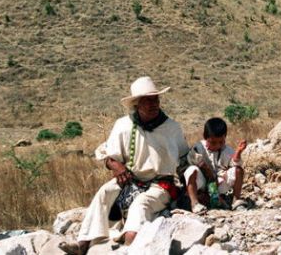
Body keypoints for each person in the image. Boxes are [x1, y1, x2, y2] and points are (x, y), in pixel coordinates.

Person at [59, 76, 189, 255]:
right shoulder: (123, 125)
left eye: (156, 99)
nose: (153, 104)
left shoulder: (172, 128)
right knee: (105, 192)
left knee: (140, 204)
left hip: (160, 184)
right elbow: (108, 156)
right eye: (147, 100)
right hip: (130, 180)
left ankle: (129, 245)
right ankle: (83, 243)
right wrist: (116, 166)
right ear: (137, 104)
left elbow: (184, 159)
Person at [183, 117, 247, 213]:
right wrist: (207, 171)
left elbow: (235, 164)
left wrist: (238, 153)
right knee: (191, 170)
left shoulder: (227, 150)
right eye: (213, 142)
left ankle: (236, 200)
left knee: (238, 170)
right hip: (203, 183)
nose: (217, 145)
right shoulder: (199, 148)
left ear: (225, 137)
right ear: (205, 137)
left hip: (219, 184)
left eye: (221, 142)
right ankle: (195, 203)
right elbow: (191, 161)